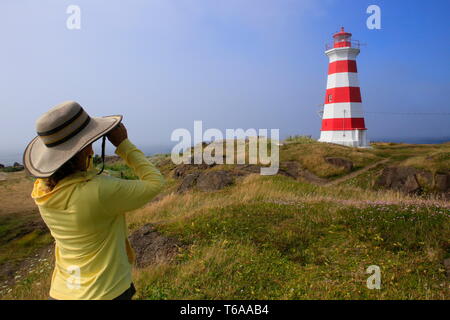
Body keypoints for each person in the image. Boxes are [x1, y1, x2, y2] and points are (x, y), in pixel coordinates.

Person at [23, 101, 165, 300]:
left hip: (61, 292)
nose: (92, 149)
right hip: (105, 291)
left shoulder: (42, 190)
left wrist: (82, 153)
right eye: (88, 143)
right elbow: (155, 183)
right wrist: (123, 144)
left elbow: (72, 172)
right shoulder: (99, 191)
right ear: (82, 151)